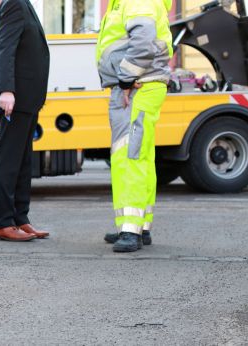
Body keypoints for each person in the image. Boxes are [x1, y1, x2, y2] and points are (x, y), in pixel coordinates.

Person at [96, 0, 173, 252]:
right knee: (140, 155)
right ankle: (139, 226)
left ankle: (130, 230)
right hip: (141, 85)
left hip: (135, 87)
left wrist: (126, 79)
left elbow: (143, 40)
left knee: (129, 155)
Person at [0, 0, 50, 242]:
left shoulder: (23, 3)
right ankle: (3, 223)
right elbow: (5, 48)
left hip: (27, 99)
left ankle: (20, 219)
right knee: (9, 161)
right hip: (16, 97)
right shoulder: (13, 3)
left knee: (23, 162)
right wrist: (6, 90)